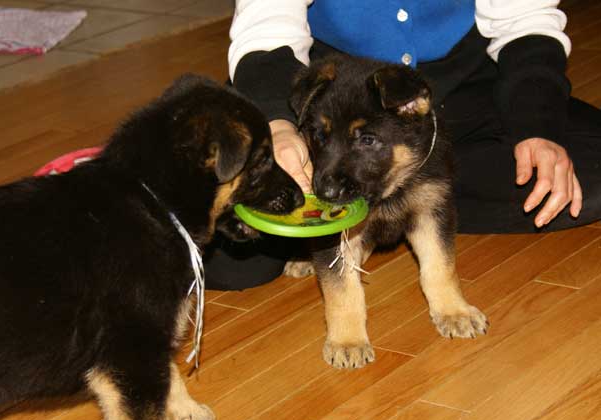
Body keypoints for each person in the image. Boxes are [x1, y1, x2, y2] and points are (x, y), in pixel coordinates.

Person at [204, 0, 601, 290]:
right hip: (329, 94)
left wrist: (536, 128)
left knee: (587, 177)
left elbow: (526, 20)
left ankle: (416, 202)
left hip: (458, 86)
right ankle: (396, 205)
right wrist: (280, 124)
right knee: (231, 260)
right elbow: (266, 27)